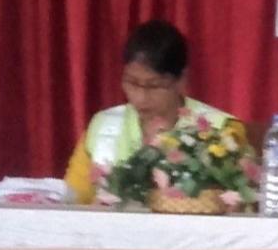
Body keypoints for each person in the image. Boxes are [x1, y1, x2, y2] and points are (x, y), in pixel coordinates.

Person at [64, 20, 246, 204]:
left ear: (181, 80)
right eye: (132, 83)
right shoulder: (103, 126)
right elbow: (72, 199)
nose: (140, 98)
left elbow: (241, 203)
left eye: (154, 86)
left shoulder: (221, 130)